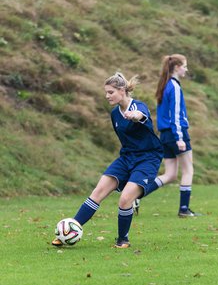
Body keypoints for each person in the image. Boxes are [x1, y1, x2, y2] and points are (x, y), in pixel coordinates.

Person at [52, 72, 163, 248]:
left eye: (110, 92)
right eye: (106, 92)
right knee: (98, 191)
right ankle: (69, 231)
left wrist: (135, 116)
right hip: (127, 157)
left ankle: (122, 239)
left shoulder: (139, 107)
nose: (107, 96)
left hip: (148, 158)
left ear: (122, 91)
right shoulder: (114, 114)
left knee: (125, 199)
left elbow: (142, 116)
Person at [138, 54, 200, 217]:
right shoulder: (175, 87)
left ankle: (136, 196)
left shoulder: (164, 86)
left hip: (164, 135)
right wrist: (179, 138)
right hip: (175, 134)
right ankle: (184, 210)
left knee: (170, 174)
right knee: (188, 171)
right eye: (185, 66)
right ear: (177, 67)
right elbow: (176, 116)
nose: (186, 69)